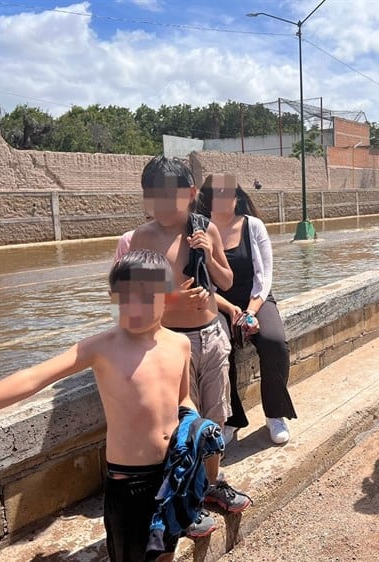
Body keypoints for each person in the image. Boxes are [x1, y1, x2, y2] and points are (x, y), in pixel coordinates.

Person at [0, 250, 209, 561]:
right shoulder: (101, 349)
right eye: (127, 297)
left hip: (171, 472)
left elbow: (183, 397)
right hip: (128, 484)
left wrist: (193, 427)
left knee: (165, 550)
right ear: (112, 296)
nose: (137, 307)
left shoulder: (180, 344)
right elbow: (31, 378)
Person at [128, 157, 252, 518]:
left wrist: (208, 256)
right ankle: (188, 493)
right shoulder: (144, 237)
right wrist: (174, 298)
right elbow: (136, 296)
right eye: (155, 197)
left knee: (214, 417)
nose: (164, 205)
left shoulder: (206, 229)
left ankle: (212, 484)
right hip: (170, 341)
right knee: (183, 421)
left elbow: (226, 282)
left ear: (191, 194)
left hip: (211, 336)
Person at [194, 173, 297, 445]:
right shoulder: (200, 232)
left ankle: (275, 414)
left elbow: (264, 275)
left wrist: (251, 311)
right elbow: (201, 279)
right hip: (219, 302)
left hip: (256, 298)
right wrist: (229, 309)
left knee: (275, 342)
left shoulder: (254, 226)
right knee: (218, 346)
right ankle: (230, 419)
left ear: (238, 197)